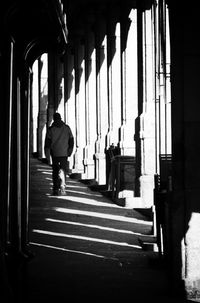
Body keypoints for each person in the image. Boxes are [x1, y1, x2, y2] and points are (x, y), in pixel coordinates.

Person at [44, 112, 74, 195]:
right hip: (64, 153)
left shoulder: (51, 129)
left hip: (55, 153)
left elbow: (47, 143)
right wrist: (70, 150)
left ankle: (55, 189)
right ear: (60, 118)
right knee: (63, 171)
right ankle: (63, 187)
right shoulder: (67, 128)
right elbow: (71, 140)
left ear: (54, 119)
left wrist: (47, 155)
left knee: (55, 171)